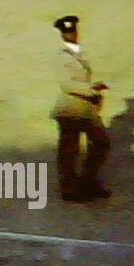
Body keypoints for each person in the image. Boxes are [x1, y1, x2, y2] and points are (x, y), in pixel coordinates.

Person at [50, 15, 111, 202]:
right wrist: (92, 89)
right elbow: (66, 85)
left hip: (85, 109)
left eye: (73, 31)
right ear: (62, 34)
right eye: (67, 32)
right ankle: (69, 189)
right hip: (69, 109)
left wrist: (95, 88)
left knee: (101, 143)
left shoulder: (78, 54)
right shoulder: (61, 56)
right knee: (69, 150)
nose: (71, 35)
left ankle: (87, 182)